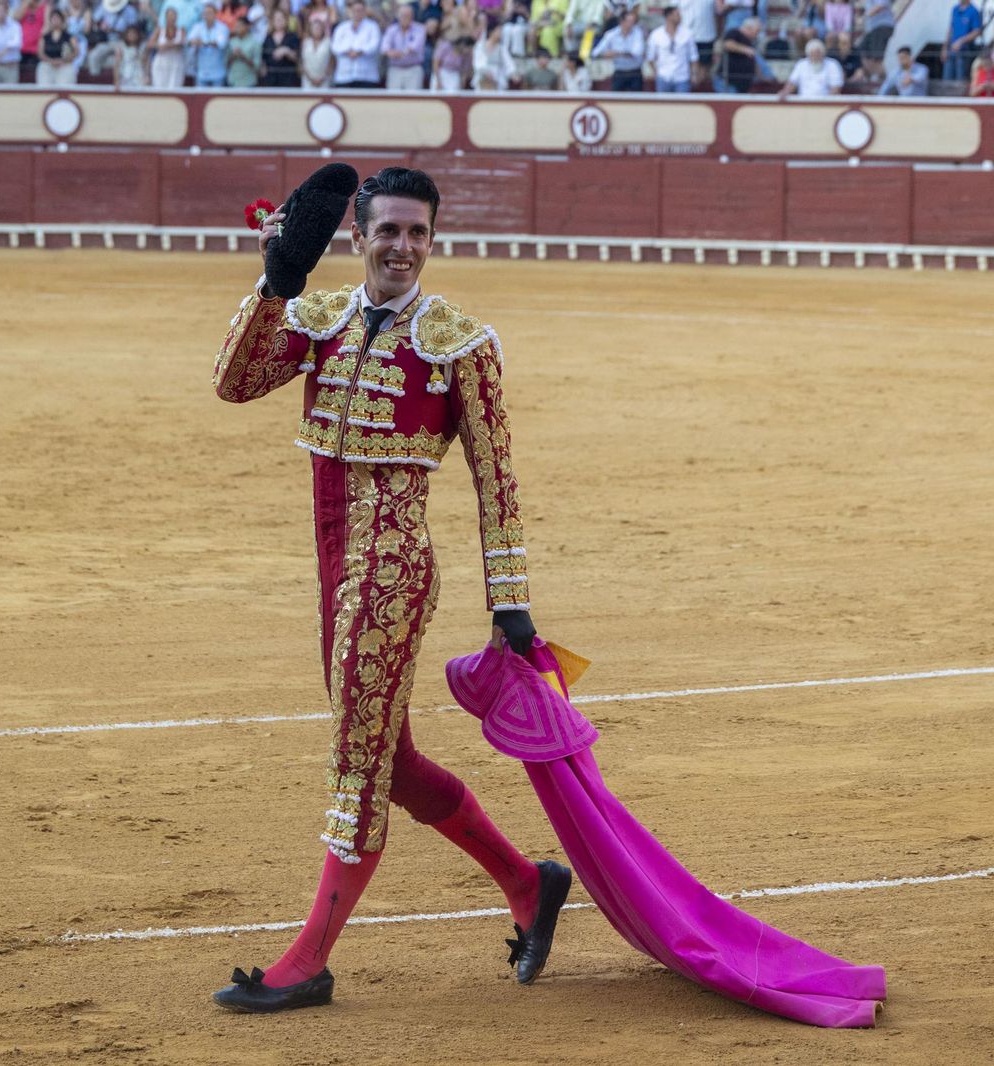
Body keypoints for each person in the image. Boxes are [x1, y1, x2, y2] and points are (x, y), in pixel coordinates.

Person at [210, 165, 568, 1013]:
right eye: (388, 231)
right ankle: (529, 883)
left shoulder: (459, 341)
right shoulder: (321, 317)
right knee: (391, 761)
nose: (402, 247)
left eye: (418, 233)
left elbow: (497, 480)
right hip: (335, 568)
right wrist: (276, 280)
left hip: (394, 571)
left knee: (356, 764)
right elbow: (234, 381)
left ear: (432, 239)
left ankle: (309, 962)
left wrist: (509, 602)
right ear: (360, 235)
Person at [646, 4, 695, 91]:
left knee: (683, 104)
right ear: (669, 16)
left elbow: (693, 56)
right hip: (663, 77)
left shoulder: (687, 33)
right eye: (677, 15)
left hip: (682, 77)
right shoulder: (656, 34)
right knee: (662, 104)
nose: (680, 17)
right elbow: (650, 57)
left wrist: (694, 74)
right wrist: (656, 72)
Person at [332, 0, 381, 87]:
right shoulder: (341, 27)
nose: (357, 13)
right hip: (344, 76)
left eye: (360, 10)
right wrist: (348, 51)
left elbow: (374, 46)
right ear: (350, 11)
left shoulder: (373, 27)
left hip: (366, 76)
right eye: (355, 10)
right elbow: (335, 47)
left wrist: (359, 52)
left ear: (365, 11)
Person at [595, 7, 644, 90]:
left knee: (637, 100)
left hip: (635, 73)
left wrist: (616, 53)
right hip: (619, 72)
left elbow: (636, 53)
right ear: (622, 22)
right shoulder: (611, 34)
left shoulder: (638, 32)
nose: (632, 24)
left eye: (633, 22)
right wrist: (608, 54)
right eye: (630, 21)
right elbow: (596, 53)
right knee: (615, 100)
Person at [381, 2, 426, 89]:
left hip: (413, 69)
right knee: (393, 99)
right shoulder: (391, 29)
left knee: (413, 100)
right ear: (398, 16)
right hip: (395, 69)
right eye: (403, 15)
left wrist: (398, 53)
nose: (405, 18)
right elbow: (384, 47)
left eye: (407, 15)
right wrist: (391, 52)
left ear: (412, 16)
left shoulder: (420, 29)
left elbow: (414, 46)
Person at [35, 7, 79, 83]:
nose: (55, 21)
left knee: (69, 73)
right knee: (42, 68)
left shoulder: (69, 37)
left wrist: (63, 61)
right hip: (48, 65)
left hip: (64, 65)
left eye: (57, 18)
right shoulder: (45, 37)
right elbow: (40, 53)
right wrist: (51, 61)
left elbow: (76, 52)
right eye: (53, 18)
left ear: (62, 21)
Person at [679, 0, 717, 88]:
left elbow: (717, 13)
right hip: (685, 35)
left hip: (706, 35)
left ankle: (697, 85)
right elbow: (673, 11)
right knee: (685, 62)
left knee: (704, 63)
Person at [941, 0, 982, 81]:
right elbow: (951, 28)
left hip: (964, 51)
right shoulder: (955, 9)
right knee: (946, 80)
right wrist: (944, 48)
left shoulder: (974, 11)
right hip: (951, 50)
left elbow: (977, 31)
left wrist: (961, 41)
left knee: (960, 80)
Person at [189, 2, 229, 84]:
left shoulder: (222, 27)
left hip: (217, 72)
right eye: (205, 13)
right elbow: (189, 41)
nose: (207, 15)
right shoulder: (198, 27)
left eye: (210, 13)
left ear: (215, 14)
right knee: (200, 96)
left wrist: (202, 43)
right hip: (201, 71)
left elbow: (221, 43)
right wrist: (195, 42)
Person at [151, 5, 188, 86]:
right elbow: (150, 44)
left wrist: (166, 45)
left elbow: (182, 43)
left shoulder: (181, 30)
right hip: (161, 62)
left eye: (173, 16)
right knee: (159, 86)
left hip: (176, 62)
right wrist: (159, 46)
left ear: (177, 17)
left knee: (175, 86)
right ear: (166, 17)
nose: (172, 18)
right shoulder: (160, 30)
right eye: (170, 16)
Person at [261, 6, 300, 85]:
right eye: (276, 18)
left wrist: (286, 51)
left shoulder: (292, 36)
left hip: (288, 79)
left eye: (281, 18)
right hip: (271, 79)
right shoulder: (268, 38)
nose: (278, 21)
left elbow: (297, 58)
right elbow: (263, 58)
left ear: (286, 20)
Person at [473, 19, 514, 88]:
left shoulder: (502, 48)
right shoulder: (480, 45)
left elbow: (509, 64)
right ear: (492, 32)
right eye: (498, 31)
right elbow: (478, 63)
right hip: (483, 79)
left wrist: (512, 73)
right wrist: (486, 72)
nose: (500, 33)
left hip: (497, 80)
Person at [301, 9, 334, 86]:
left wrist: (323, 78)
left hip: (324, 81)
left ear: (323, 29)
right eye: (315, 27)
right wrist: (310, 79)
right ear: (310, 29)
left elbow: (332, 62)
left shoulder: (328, 42)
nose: (317, 29)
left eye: (319, 27)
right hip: (307, 81)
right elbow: (301, 62)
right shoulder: (305, 42)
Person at [225, 14, 258, 85]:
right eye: (236, 26)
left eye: (240, 26)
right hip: (233, 81)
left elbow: (257, 66)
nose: (237, 28)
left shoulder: (255, 43)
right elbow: (226, 64)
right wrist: (233, 56)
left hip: (249, 82)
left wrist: (243, 56)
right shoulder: (231, 42)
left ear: (247, 26)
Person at [113, 21, 147, 86]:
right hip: (125, 76)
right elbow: (117, 65)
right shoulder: (121, 46)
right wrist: (116, 80)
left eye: (134, 33)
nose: (132, 36)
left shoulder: (143, 46)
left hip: (139, 76)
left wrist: (147, 76)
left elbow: (146, 63)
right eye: (130, 34)